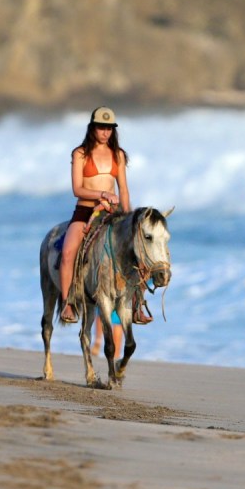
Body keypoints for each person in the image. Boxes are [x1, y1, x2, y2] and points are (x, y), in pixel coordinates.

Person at [59, 106, 151, 325]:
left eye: (109, 128)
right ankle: (68, 304)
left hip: (112, 213)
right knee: (68, 252)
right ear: (93, 128)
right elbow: (77, 189)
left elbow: (124, 190)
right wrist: (101, 193)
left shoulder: (118, 154)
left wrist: (128, 218)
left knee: (139, 255)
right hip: (85, 210)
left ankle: (137, 305)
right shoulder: (80, 153)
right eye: (101, 127)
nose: (105, 132)